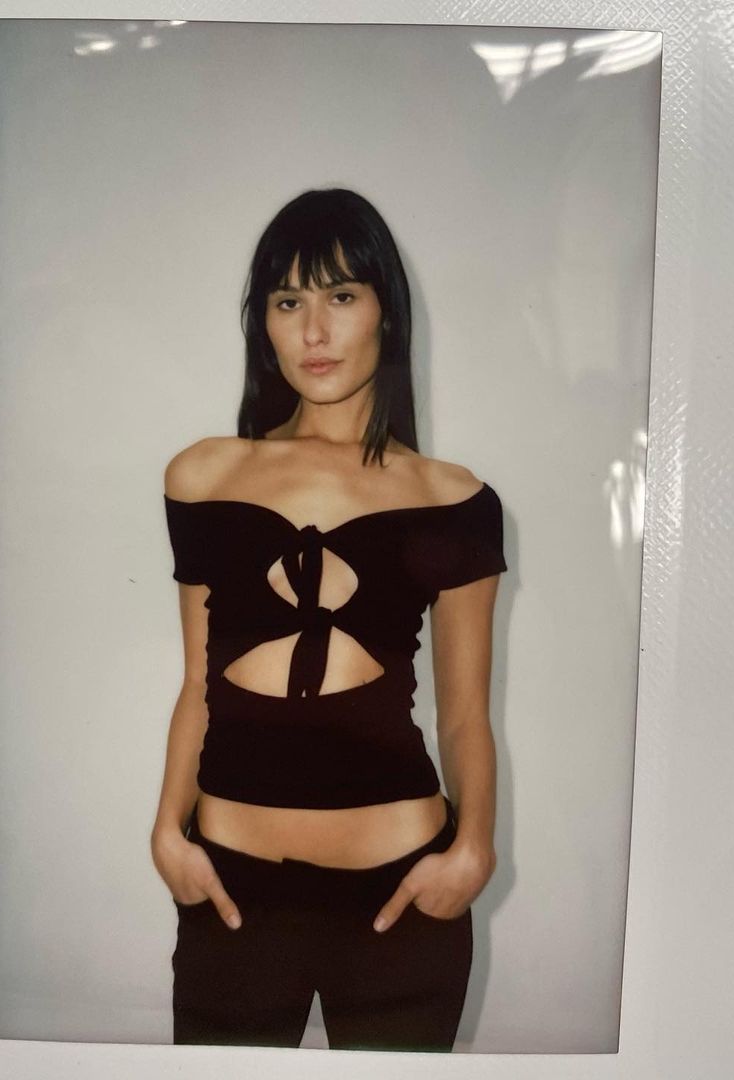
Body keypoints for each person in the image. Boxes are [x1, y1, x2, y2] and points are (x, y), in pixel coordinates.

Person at [151, 187, 508, 1052]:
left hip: (400, 899)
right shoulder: (203, 476)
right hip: (232, 892)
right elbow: (198, 683)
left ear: (386, 311)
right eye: (288, 302)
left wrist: (474, 849)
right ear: (264, 327)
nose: (314, 330)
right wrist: (166, 834)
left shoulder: (454, 499)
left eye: (341, 296)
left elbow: (465, 714)